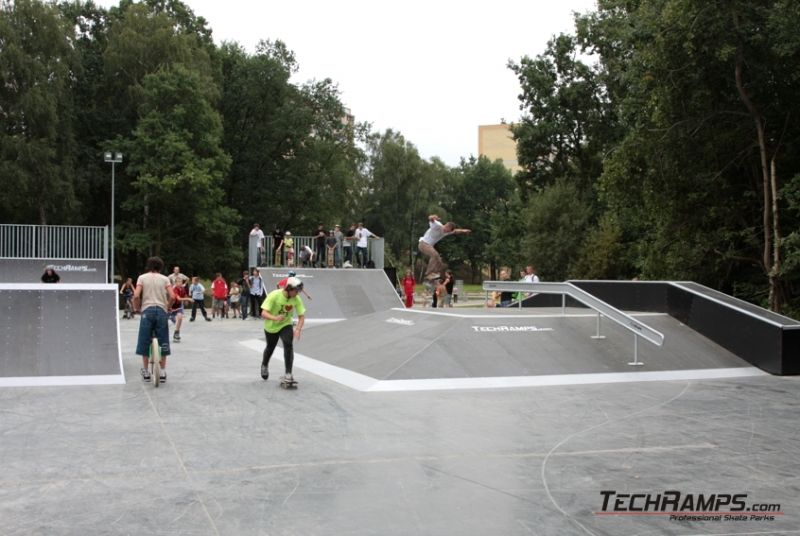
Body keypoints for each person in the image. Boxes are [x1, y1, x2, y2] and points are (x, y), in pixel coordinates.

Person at [133, 256, 175, 382]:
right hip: (161, 311)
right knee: (163, 339)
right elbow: (172, 296)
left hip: (147, 310)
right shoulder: (165, 279)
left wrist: (138, 307)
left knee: (144, 339)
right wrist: (168, 307)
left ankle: (146, 372)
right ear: (160, 267)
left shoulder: (142, 278)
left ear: (148, 266)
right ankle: (162, 372)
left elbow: (136, 295)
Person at [259, 276, 306, 384]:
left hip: (286, 324)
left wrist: (298, 329)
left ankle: (288, 373)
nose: (297, 294)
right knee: (270, 347)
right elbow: (263, 313)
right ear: (289, 289)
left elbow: (301, 316)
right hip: (271, 326)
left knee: (288, 345)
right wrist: (275, 318)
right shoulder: (274, 295)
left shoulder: (296, 299)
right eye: (296, 291)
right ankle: (264, 364)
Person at [418, 214, 471, 283]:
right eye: (446, 230)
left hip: (429, 246)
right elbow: (430, 218)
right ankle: (429, 274)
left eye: (448, 232)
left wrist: (464, 231)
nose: (445, 232)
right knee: (435, 255)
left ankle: (434, 276)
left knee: (440, 261)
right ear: (446, 225)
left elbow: (455, 231)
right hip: (423, 244)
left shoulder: (447, 232)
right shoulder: (437, 225)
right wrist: (433, 217)